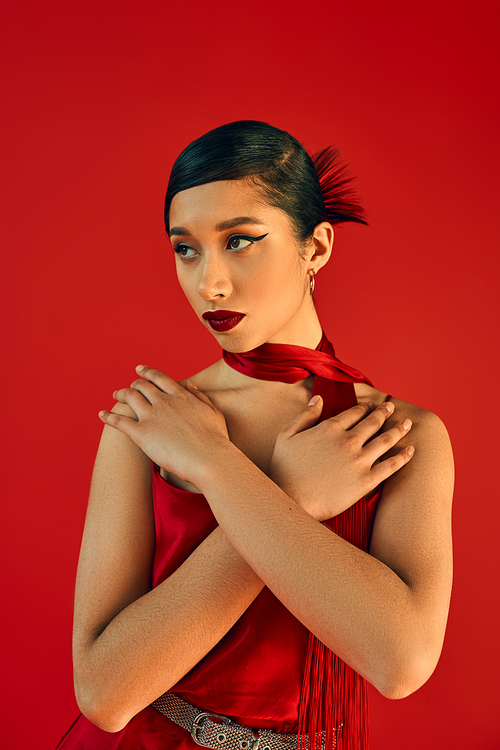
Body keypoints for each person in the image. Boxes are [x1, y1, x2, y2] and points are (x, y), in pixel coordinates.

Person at [56, 121, 454, 750]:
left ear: (316, 247)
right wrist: (288, 493)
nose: (209, 282)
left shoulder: (399, 437)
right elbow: (105, 694)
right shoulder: (151, 424)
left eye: (240, 240)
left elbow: (399, 662)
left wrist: (220, 469)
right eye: (185, 248)